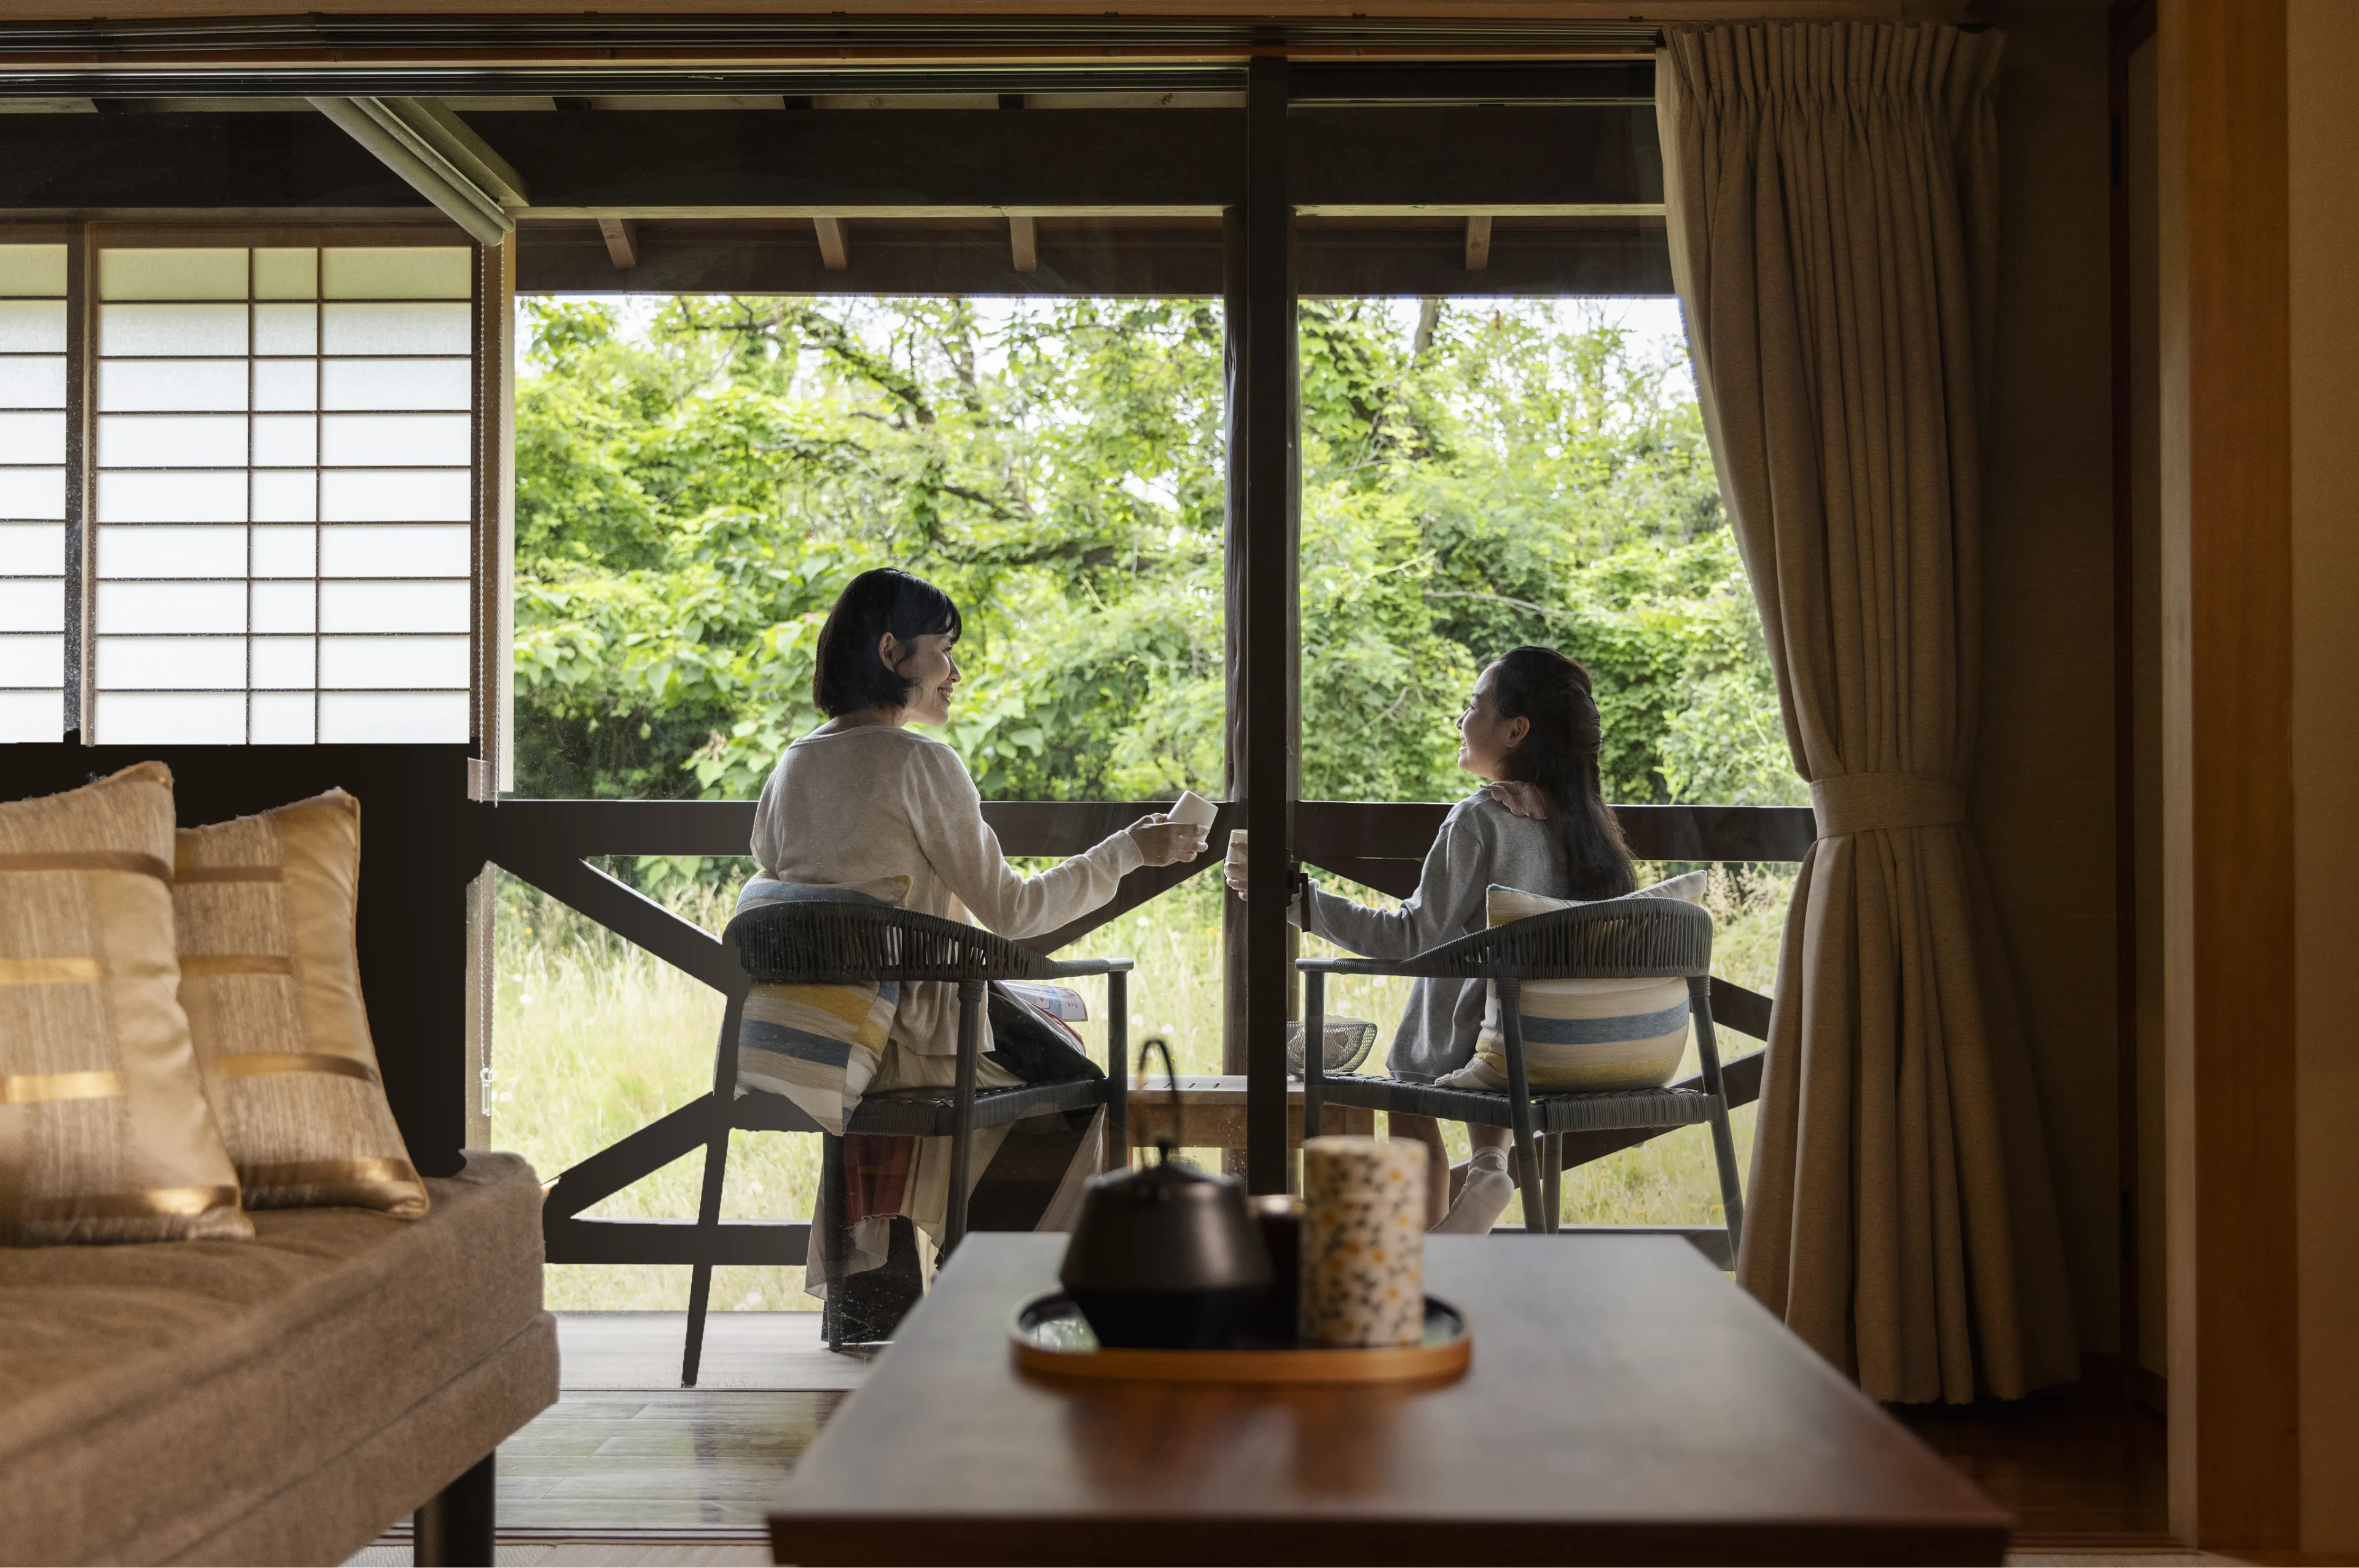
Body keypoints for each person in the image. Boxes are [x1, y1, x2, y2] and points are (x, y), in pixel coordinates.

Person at [751, 568, 1209, 1290]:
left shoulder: (791, 767)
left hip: (829, 1046)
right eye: (945, 650)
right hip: (921, 1040)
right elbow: (1015, 912)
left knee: (1027, 1031)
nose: (955, 673)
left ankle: (877, 1297)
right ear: (894, 652)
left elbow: (785, 894)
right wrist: (1129, 850)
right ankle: (987, 1284)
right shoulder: (922, 763)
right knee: (1086, 1091)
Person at [1232, 646, 1635, 1232]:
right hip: (1571, 1050)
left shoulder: (1481, 819)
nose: (1460, 719)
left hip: (1489, 1042)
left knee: (1406, 1087)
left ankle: (1432, 1258)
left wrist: (1299, 903)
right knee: (1497, 991)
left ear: (1516, 730)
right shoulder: (1590, 827)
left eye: (1474, 705)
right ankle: (1490, 1165)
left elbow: (1410, 937)